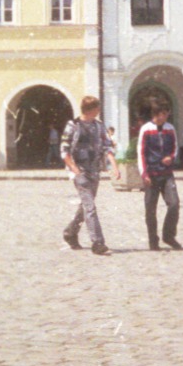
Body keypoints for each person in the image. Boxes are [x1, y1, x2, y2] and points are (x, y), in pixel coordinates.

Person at [61, 96, 114, 255]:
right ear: (92, 109)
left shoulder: (99, 126)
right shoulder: (73, 126)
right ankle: (97, 243)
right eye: (97, 108)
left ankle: (70, 232)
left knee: (85, 206)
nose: (99, 111)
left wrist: (114, 165)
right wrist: (74, 169)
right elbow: (64, 150)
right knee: (90, 207)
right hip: (80, 171)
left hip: (94, 170)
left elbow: (107, 146)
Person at [136, 101, 180, 251]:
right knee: (150, 209)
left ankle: (168, 235)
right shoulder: (146, 129)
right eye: (164, 113)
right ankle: (153, 240)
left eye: (167, 113)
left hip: (167, 174)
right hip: (152, 174)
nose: (166, 116)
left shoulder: (170, 128)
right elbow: (140, 151)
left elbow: (175, 147)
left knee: (174, 204)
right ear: (156, 114)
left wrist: (171, 158)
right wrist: (144, 172)